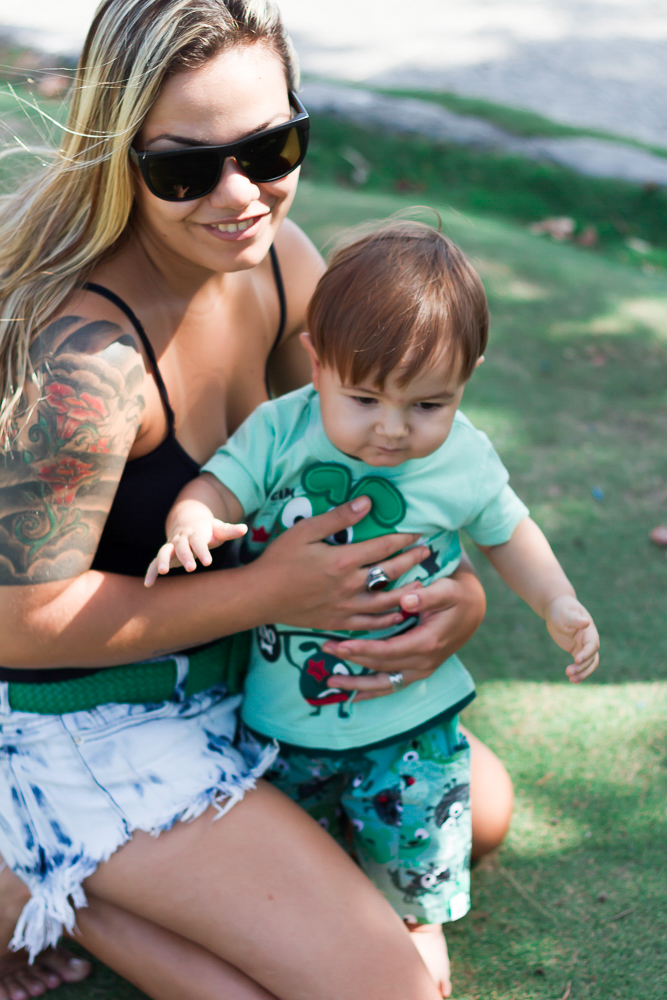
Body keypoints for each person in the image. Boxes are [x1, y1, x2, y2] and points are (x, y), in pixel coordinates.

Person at [0, 3, 510, 999]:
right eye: (187, 168)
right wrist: (271, 594)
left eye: (271, 148)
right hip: (88, 716)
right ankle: (36, 865)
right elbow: (17, 621)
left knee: (474, 809)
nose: (242, 195)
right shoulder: (87, 361)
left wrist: (460, 603)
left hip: (245, 672)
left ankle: (69, 876)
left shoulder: (282, 261)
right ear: (120, 159)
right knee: (397, 990)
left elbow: (364, 464)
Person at [145, 221, 601, 996]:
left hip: (411, 718)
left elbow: (507, 531)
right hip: (281, 720)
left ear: (467, 378)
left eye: (429, 403)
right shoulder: (280, 431)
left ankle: (418, 926)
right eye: (362, 399)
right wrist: (192, 520)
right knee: (298, 862)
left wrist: (555, 600)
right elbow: (217, 487)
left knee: (414, 843)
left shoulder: (462, 456)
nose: (391, 430)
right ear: (317, 364)